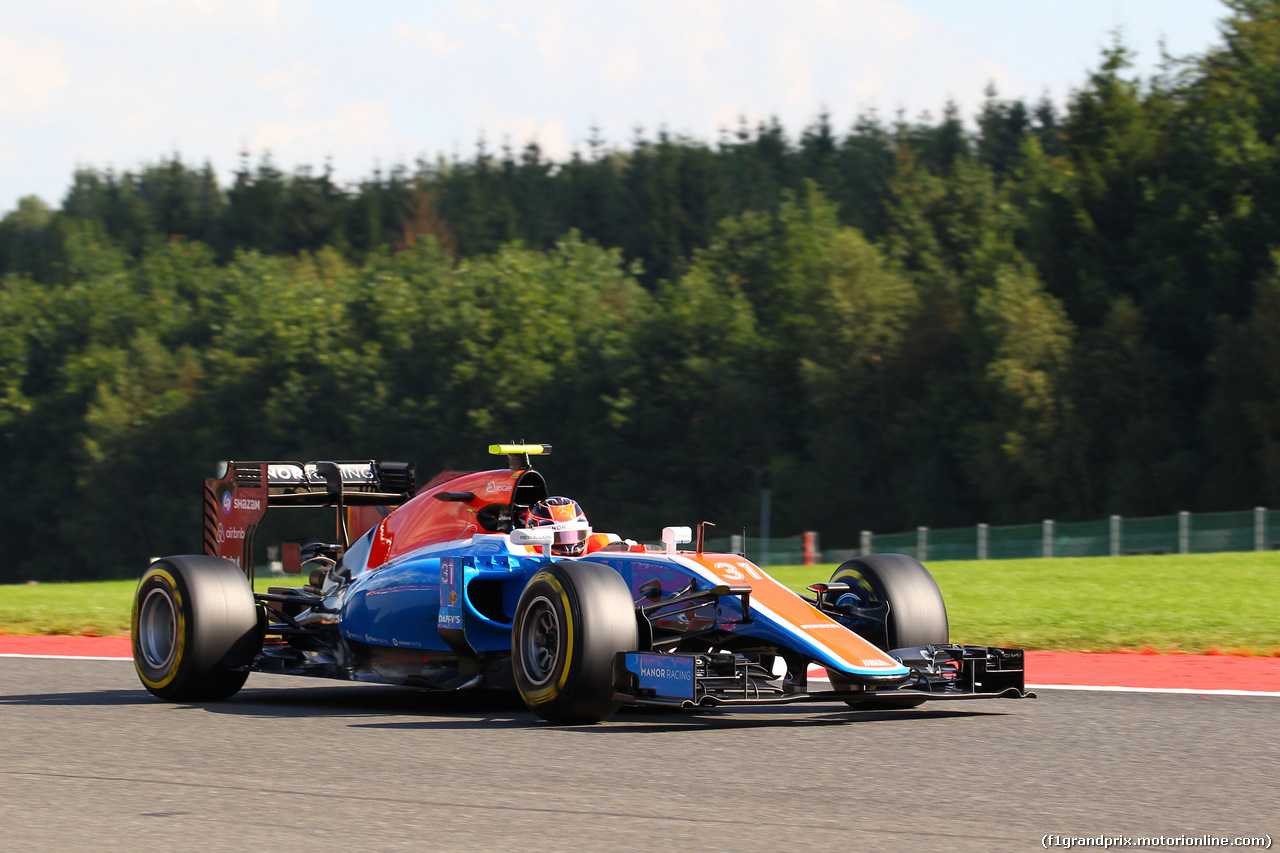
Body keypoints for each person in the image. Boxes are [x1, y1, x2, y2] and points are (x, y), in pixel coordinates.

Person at [523, 496, 626, 556]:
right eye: (558, 537)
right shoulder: (522, 552)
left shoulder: (601, 547)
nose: (569, 547)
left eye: (575, 535)